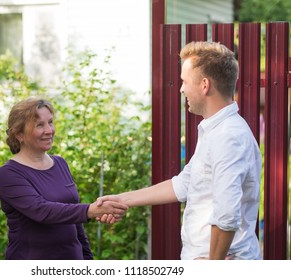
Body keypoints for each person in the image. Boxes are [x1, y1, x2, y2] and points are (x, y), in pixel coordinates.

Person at [98, 41, 262, 260]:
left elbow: (226, 215)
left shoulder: (227, 137)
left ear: (204, 85)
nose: (181, 88)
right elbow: (184, 184)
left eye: (184, 81)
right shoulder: (215, 130)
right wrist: (120, 200)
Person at [0, 97, 127, 260]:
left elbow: (75, 222)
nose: (49, 130)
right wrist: (91, 210)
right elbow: (41, 211)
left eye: (50, 122)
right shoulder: (9, 174)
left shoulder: (60, 163)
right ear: (19, 134)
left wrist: (87, 259)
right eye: (39, 125)